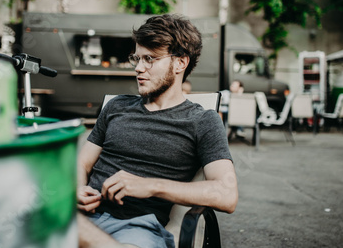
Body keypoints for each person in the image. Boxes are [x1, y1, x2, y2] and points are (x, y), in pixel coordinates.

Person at [77, 14, 238, 248]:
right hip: (83, 215)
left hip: (136, 229)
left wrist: (151, 185)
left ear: (180, 63)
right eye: (137, 58)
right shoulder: (116, 107)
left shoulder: (202, 120)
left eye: (150, 59)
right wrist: (78, 189)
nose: (139, 68)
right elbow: (82, 164)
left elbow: (226, 194)